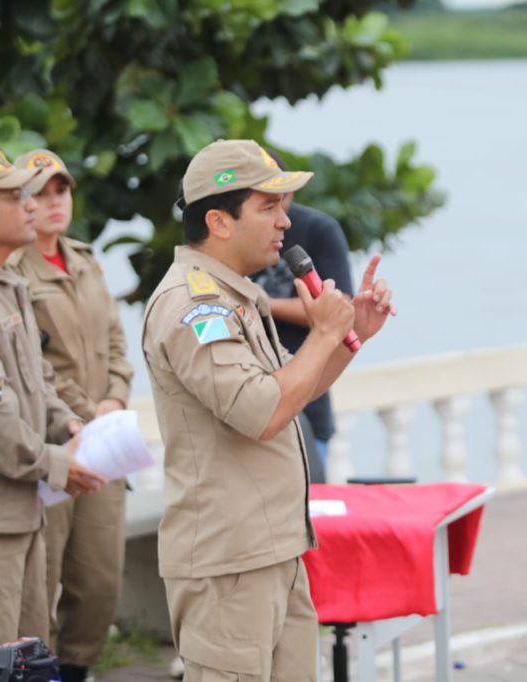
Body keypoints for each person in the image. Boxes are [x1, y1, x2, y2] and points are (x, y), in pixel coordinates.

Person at [141, 139, 395, 682]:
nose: (285, 222)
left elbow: (292, 390)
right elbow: (263, 412)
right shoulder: (193, 306)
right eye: (268, 207)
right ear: (219, 221)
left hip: (274, 548)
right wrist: (324, 331)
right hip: (229, 563)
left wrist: (350, 336)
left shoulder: (238, 297)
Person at [0, 148, 105, 663]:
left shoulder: (4, 280)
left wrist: (69, 424)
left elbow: (36, 379)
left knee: (31, 665)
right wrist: (57, 463)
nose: (31, 205)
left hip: (20, 513)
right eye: (17, 196)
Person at [9, 149, 133, 682]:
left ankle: (77, 668)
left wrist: (116, 397)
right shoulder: (12, 271)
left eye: (60, 190)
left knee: (101, 577)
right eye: (39, 192)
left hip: (104, 439)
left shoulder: (85, 261)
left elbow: (115, 340)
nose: (53, 202)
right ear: (20, 202)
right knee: (43, 576)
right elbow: (29, 362)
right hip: (52, 443)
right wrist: (87, 412)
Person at [251, 200, 354, 481]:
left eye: (282, 200)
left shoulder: (318, 228)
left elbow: (339, 305)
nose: (282, 221)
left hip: (305, 404)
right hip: (256, 419)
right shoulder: (203, 292)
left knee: (310, 504)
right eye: (265, 205)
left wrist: (261, 302)